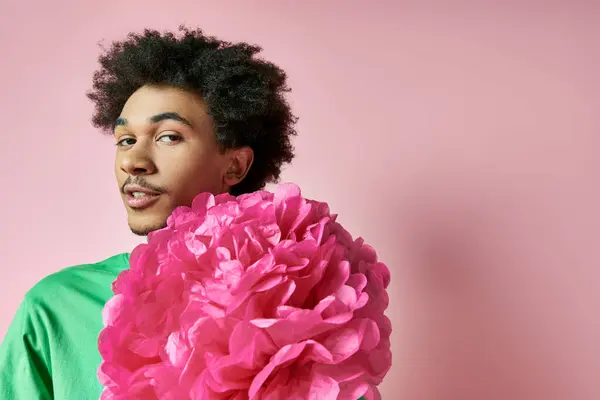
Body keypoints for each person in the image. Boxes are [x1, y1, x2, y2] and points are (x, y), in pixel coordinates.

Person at [0, 26, 297, 399]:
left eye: (168, 136)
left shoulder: (295, 302)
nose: (134, 161)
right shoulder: (55, 309)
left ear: (236, 166)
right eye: (126, 140)